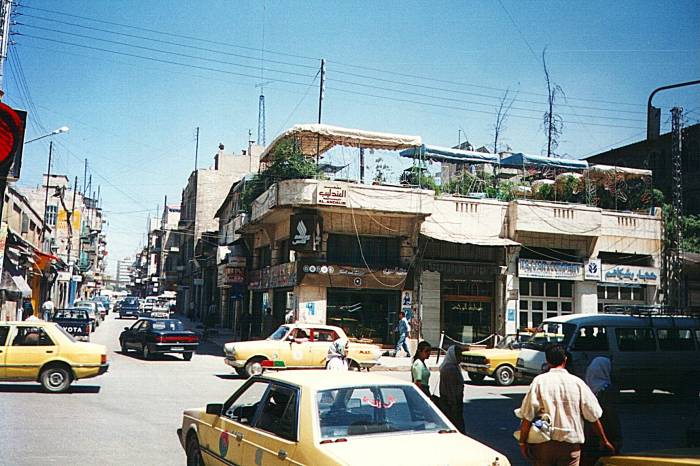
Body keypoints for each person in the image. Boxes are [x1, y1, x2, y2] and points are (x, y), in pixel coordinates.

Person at [518, 344, 614, 466]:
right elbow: (593, 416)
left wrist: (523, 442)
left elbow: (527, 415)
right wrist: (604, 441)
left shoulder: (539, 381)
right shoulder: (578, 383)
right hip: (570, 447)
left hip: (544, 445)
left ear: (547, 361)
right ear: (565, 359)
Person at [581, 357, 623, 466]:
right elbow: (612, 416)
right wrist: (616, 439)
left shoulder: (587, 388)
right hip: (605, 437)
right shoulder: (607, 390)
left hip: (590, 436)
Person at [439, 345, 465, 434]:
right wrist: (453, 404)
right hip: (451, 403)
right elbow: (451, 389)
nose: (461, 357)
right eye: (459, 355)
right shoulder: (450, 369)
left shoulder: (454, 366)